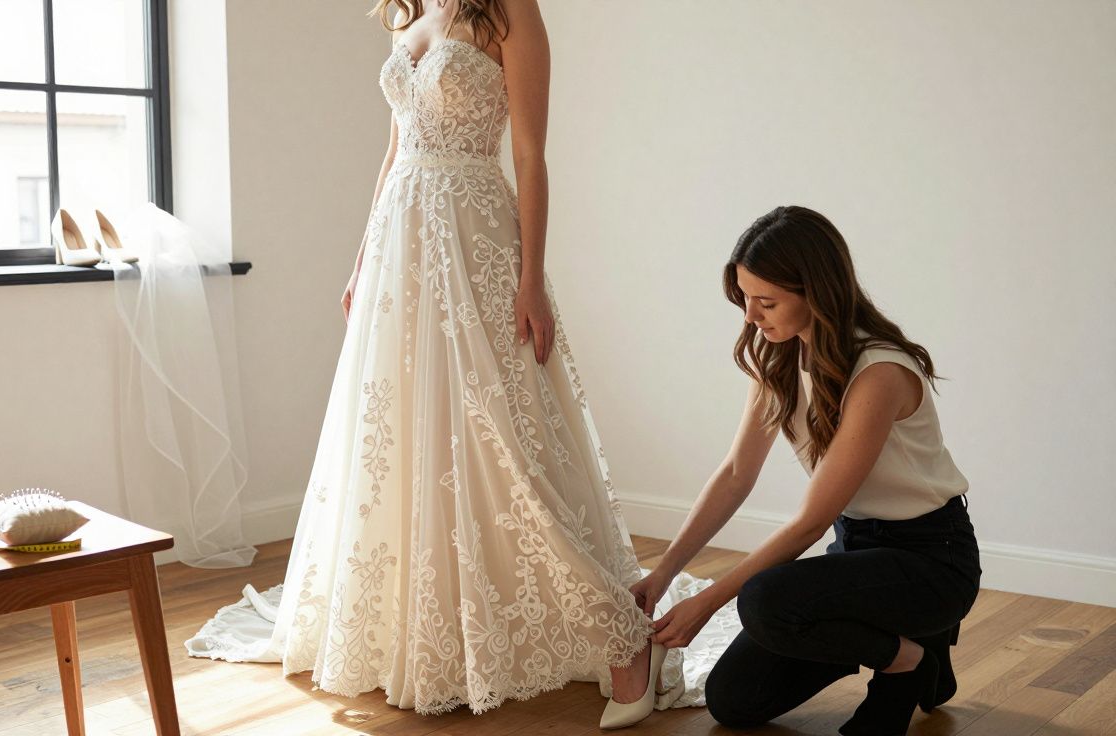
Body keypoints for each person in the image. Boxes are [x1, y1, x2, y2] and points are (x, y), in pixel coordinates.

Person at [186, 1, 724, 722]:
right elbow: (393, 151)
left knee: (502, 435)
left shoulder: (510, 11)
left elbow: (530, 154)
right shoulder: (411, 14)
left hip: (473, 239)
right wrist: (360, 259)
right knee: (406, 434)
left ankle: (621, 633)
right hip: (399, 244)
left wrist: (531, 278)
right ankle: (429, 619)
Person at [632, 205, 981, 735]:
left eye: (765, 301)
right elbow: (734, 476)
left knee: (763, 599)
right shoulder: (779, 359)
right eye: (745, 299)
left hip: (931, 561)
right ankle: (918, 645)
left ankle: (906, 660)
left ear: (815, 291)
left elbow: (810, 523)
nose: (751, 315)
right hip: (858, 551)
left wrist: (706, 602)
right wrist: (665, 572)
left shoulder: (880, 371)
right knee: (734, 701)